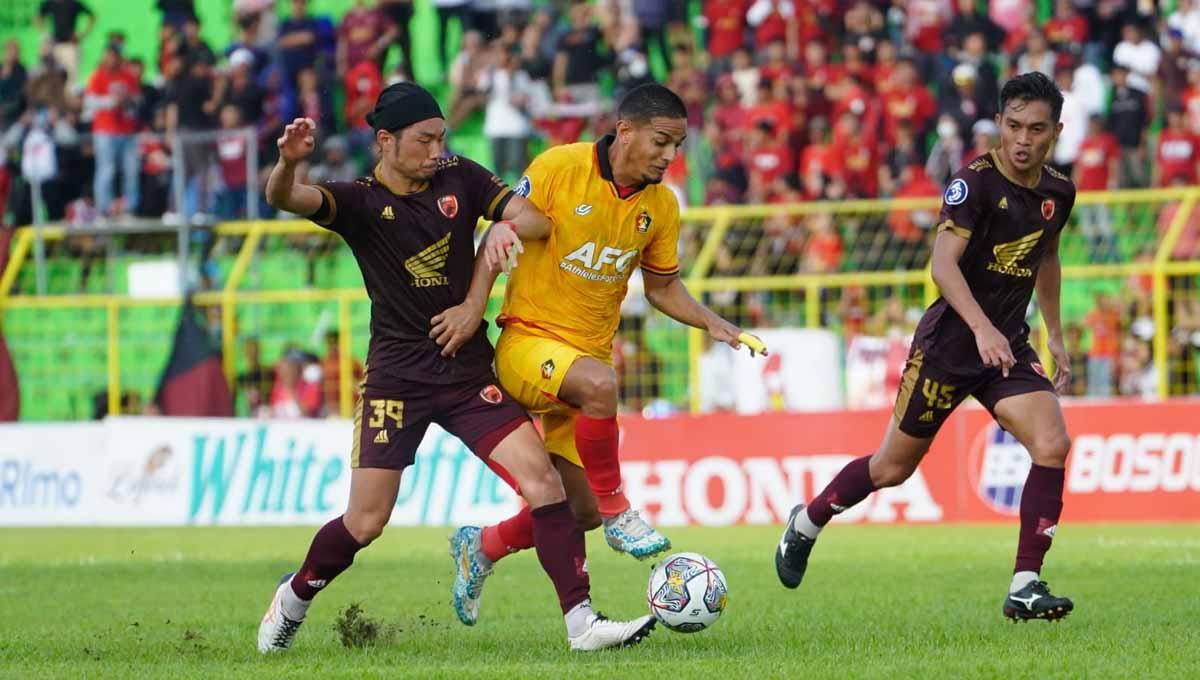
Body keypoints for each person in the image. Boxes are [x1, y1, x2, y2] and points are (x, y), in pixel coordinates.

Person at [256, 83, 655, 653]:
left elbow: (536, 221)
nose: (437, 150)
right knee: (366, 522)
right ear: (386, 141)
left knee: (545, 485)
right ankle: (294, 597)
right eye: (425, 140)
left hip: (468, 374)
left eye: (442, 137)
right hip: (396, 380)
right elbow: (286, 198)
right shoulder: (361, 202)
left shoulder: (460, 177)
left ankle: (581, 624)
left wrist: (500, 234)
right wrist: (289, 163)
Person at [444, 84, 762, 626]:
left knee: (578, 510)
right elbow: (501, 235)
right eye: (661, 141)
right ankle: (620, 513)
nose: (669, 155)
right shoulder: (558, 169)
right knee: (601, 388)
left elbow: (663, 287)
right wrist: (475, 304)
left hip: (585, 360)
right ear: (626, 131)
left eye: (678, 146)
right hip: (527, 343)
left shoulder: (661, 206)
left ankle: (484, 546)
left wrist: (712, 322)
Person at [774, 72, 1078, 623]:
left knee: (1052, 443)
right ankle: (808, 521)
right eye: (1013, 126)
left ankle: (1025, 585)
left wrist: (1054, 334)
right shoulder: (973, 183)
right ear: (999, 123)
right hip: (950, 347)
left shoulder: (1059, 191)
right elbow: (942, 265)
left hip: (1007, 345)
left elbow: (1047, 257)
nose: (1022, 140)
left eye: (1036, 129)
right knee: (891, 468)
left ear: (1056, 132)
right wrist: (981, 328)